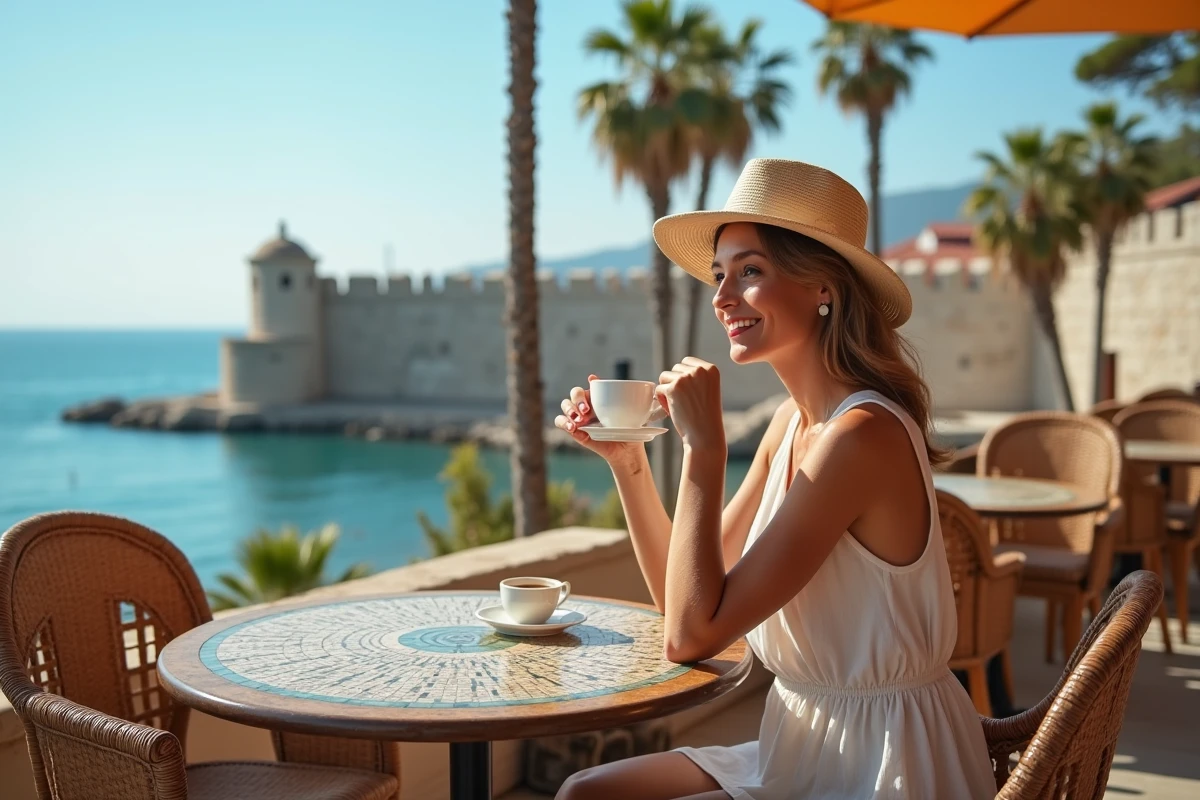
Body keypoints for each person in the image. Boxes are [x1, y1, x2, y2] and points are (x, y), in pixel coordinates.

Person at [552, 159, 996, 800]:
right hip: (803, 742)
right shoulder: (793, 422)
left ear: (824, 287)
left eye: (750, 271)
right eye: (719, 274)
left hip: (885, 764)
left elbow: (689, 637)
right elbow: (680, 605)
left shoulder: (859, 436)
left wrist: (705, 451)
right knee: (586, 791)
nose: (722, 296)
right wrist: (629, 463)